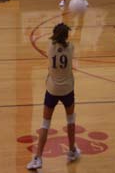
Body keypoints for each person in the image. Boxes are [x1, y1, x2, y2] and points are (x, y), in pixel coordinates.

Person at [26, 23, 80, 170]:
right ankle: (71, 151)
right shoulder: (71, 48)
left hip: (52, 90)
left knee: (45, 124)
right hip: (68, 90)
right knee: (70, 121)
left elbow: (53, 41)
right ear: (66, 36)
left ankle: (38, 158)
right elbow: (66, 44)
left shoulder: (50, 46)